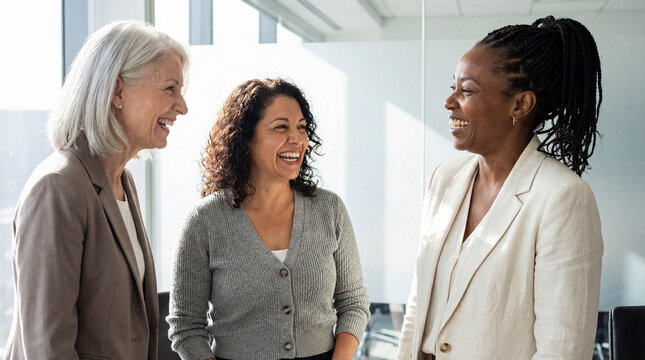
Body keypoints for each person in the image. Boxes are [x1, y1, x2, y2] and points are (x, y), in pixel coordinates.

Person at [396, 16, 603, 360]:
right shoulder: (443, 179)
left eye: (468, 90)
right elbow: (419, 303)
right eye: (453, 87)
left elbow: (562, 350)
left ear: (520, 104)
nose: (450, 102)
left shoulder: (562, 198)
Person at [4, 20, 189, 359]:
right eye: (169, 89)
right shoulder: (58, 187)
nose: (182, 106)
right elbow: (48, 348)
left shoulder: (122, 182)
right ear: (117, 91)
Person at [167, 78, 370, 360]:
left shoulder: (329, 209)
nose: (297, 139)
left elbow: (354, 304)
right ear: (245, 138)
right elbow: (186, 327)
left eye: (301, 127)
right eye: (281, 127)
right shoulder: (205, 220)